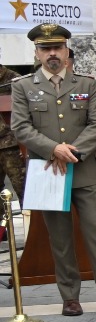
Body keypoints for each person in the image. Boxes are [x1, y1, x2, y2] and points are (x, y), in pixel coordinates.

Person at [8, 23, 96, 315]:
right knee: (59, 239)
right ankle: (70, 298)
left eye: (57, 48)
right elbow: (21, 127)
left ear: (66, 50)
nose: (52, 54)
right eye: (45, 49)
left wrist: (72, 151)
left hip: (84, 171)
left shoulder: (86, 85)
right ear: (37, 53)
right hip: (48, 172)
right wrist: (53, 149)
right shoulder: (23, 87)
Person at [0, 63, 27, 219]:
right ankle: (2, 230)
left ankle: (31, 230)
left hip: (12, 145)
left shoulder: (14, 80)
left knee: (24, 191)